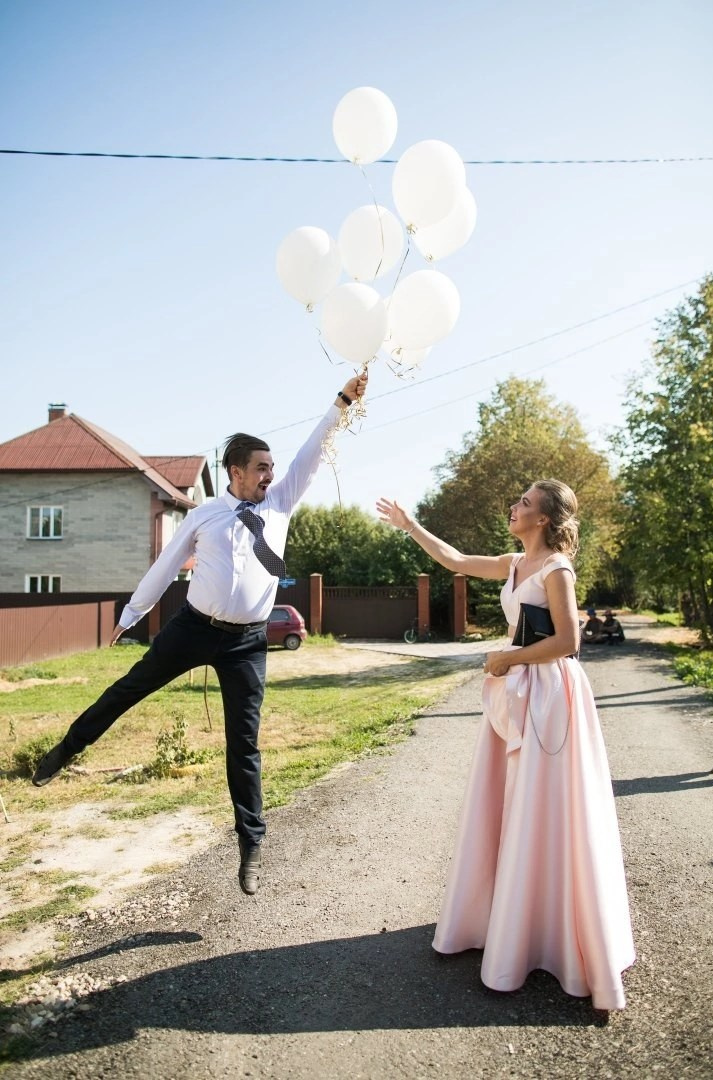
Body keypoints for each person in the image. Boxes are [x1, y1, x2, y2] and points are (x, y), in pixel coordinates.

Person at [32, 374, 368, 895]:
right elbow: (167, 565)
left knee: (245, 745)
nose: (270, 474)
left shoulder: (280, 503)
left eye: (272, 468)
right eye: (261, 468)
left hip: (246, 643)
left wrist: (342, 403)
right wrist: (132, 614)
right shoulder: (206, 512)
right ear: (235, 472)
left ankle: (251, 845)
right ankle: (65, 750)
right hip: (192, 628)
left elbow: (312, 449)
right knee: (128, 689)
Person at [377, 480, 635, 1010]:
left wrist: (507, 659)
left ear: (542, 518)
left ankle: (552, 932)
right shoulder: (514, 562)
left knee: (544, 806)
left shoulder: (556, 568)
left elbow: (569, 642)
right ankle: (512, 915)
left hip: (549, 695)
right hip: (514, 691)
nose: (513, 506)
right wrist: (410, 526)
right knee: (507, 801)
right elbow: (454, 561)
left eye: (523, 502)